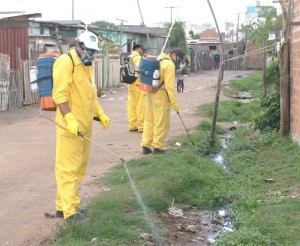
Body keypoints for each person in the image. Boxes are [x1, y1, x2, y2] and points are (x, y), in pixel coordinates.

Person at [52, 31, 110, 222]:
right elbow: (59, 95)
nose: (91, 55)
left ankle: (62, 205)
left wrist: (99, 113)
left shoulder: (87, 66)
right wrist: (69, 118)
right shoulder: (65, 62)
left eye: (94, 52)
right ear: (79, 45)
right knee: (69, 169)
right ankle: (71, 211)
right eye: (89, 51)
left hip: (85, 126)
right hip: (70, 126)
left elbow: (90, 94)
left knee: (79, 168)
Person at [141, 48, 185, 155]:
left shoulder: (160, 58)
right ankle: (157, 147)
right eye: (178, 58)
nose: (178, 60)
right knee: (161, 122)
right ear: (173, 55)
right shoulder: (170, 65)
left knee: (149, 121)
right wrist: (175, 104)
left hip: (150, 92)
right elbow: (170, 87)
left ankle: (146, 146)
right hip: (161, 95)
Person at [127, 44, 146, 132]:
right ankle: (141, 126)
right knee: (140, 104)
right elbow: (141, 71)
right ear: (139, 49)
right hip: (138, 83)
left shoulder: (129, 57)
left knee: (132, 104)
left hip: (130, 84)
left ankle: (132, 125)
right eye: (142, 49)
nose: (142, 51)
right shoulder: (138, 58)